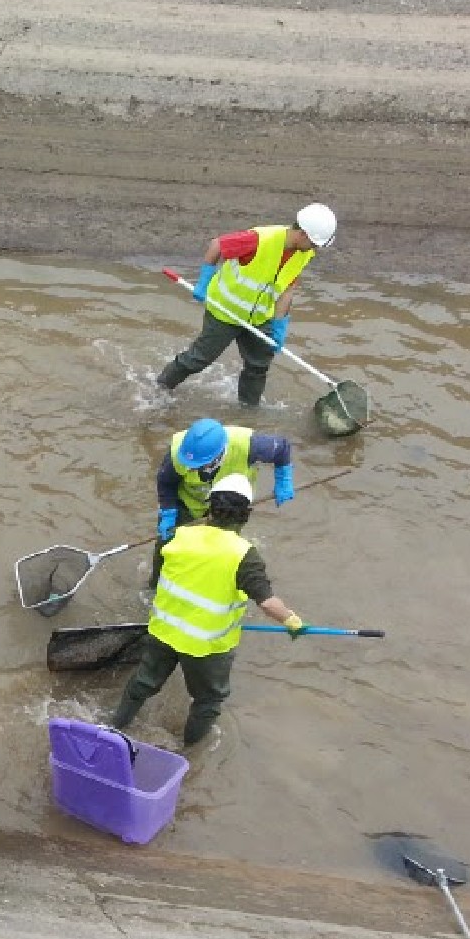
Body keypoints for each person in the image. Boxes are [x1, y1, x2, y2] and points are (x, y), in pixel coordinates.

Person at [109, 473, 307, 747]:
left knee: (143, 683)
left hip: (163, 632)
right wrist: (293, 621)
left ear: (209, 508)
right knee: (208, 700)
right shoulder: (244, 556)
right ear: (246, 515)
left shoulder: (179, 535)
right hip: (206, 647)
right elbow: (267, 602)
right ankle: (188, 751)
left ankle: (113, 726)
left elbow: (157, 578)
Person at [157, 203, 337, 407]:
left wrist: (280, 325)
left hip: (260, 319)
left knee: (258, 367)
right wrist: (204, 280)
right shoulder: (259, 239)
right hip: (224, 313)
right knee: (199, 359)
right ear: (303, 234)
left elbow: (287, 290)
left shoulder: (305, 253)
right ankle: (161, 388)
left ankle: (248, 409)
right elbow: (218, 245)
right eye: (314, 243)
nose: (315, 249)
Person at [150, 417, 295, 583]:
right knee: (166, 547)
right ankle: (156, 584)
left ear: (218, 457)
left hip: (229, 506)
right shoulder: (177, 454)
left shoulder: (249, 445)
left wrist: (283, 479)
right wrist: (168, 512)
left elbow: (282, 448)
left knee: (219, 551)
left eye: (197, 466)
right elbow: (166, 483)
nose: (190, 469)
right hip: (188, 504)